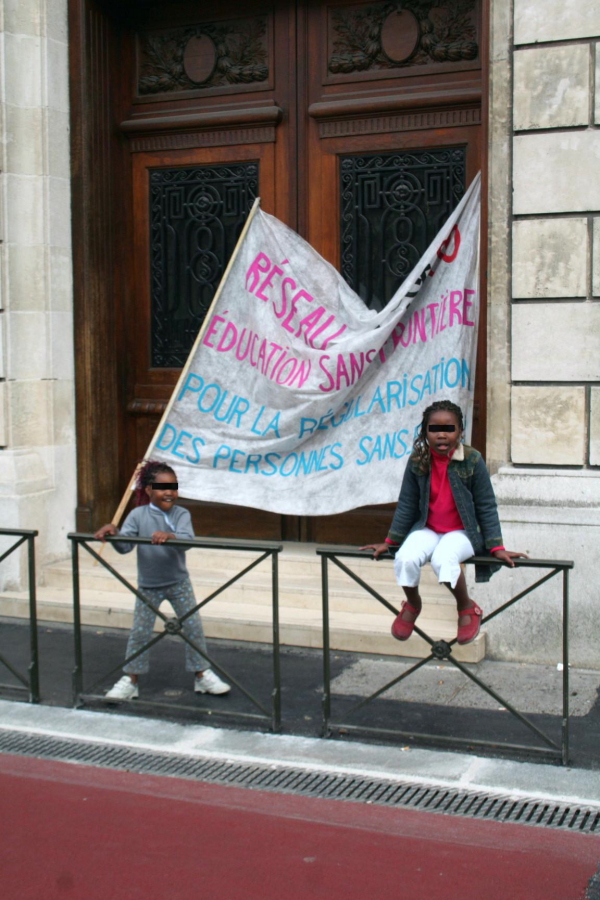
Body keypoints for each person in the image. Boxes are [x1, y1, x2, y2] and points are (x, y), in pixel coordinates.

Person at [360, 400, 528, 645]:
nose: (441, 434)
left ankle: (466, 607)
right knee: (405, 557)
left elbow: (486, 505)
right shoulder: (418, 460)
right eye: (434, 429)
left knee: (443, 559)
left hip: (463, 532)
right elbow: (407, 503)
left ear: (460, 431)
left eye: (449, 429)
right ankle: (413, 604)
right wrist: (390, 541)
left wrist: (496, 547)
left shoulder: (472, 460)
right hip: (428, 528)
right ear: (424, 432)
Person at [94, 460, 230, 700]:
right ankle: (131, 680)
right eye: (162, 487)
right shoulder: (137, 515)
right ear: (148, 490)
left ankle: (202, 675)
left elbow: (187, 541)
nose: (169, 492)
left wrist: (171, 536)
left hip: (179, 582)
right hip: (149, 585)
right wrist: (113, 534)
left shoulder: (181, 514)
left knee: (193, 628)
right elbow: (125, 547)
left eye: (173, 487)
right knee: (140, 632)